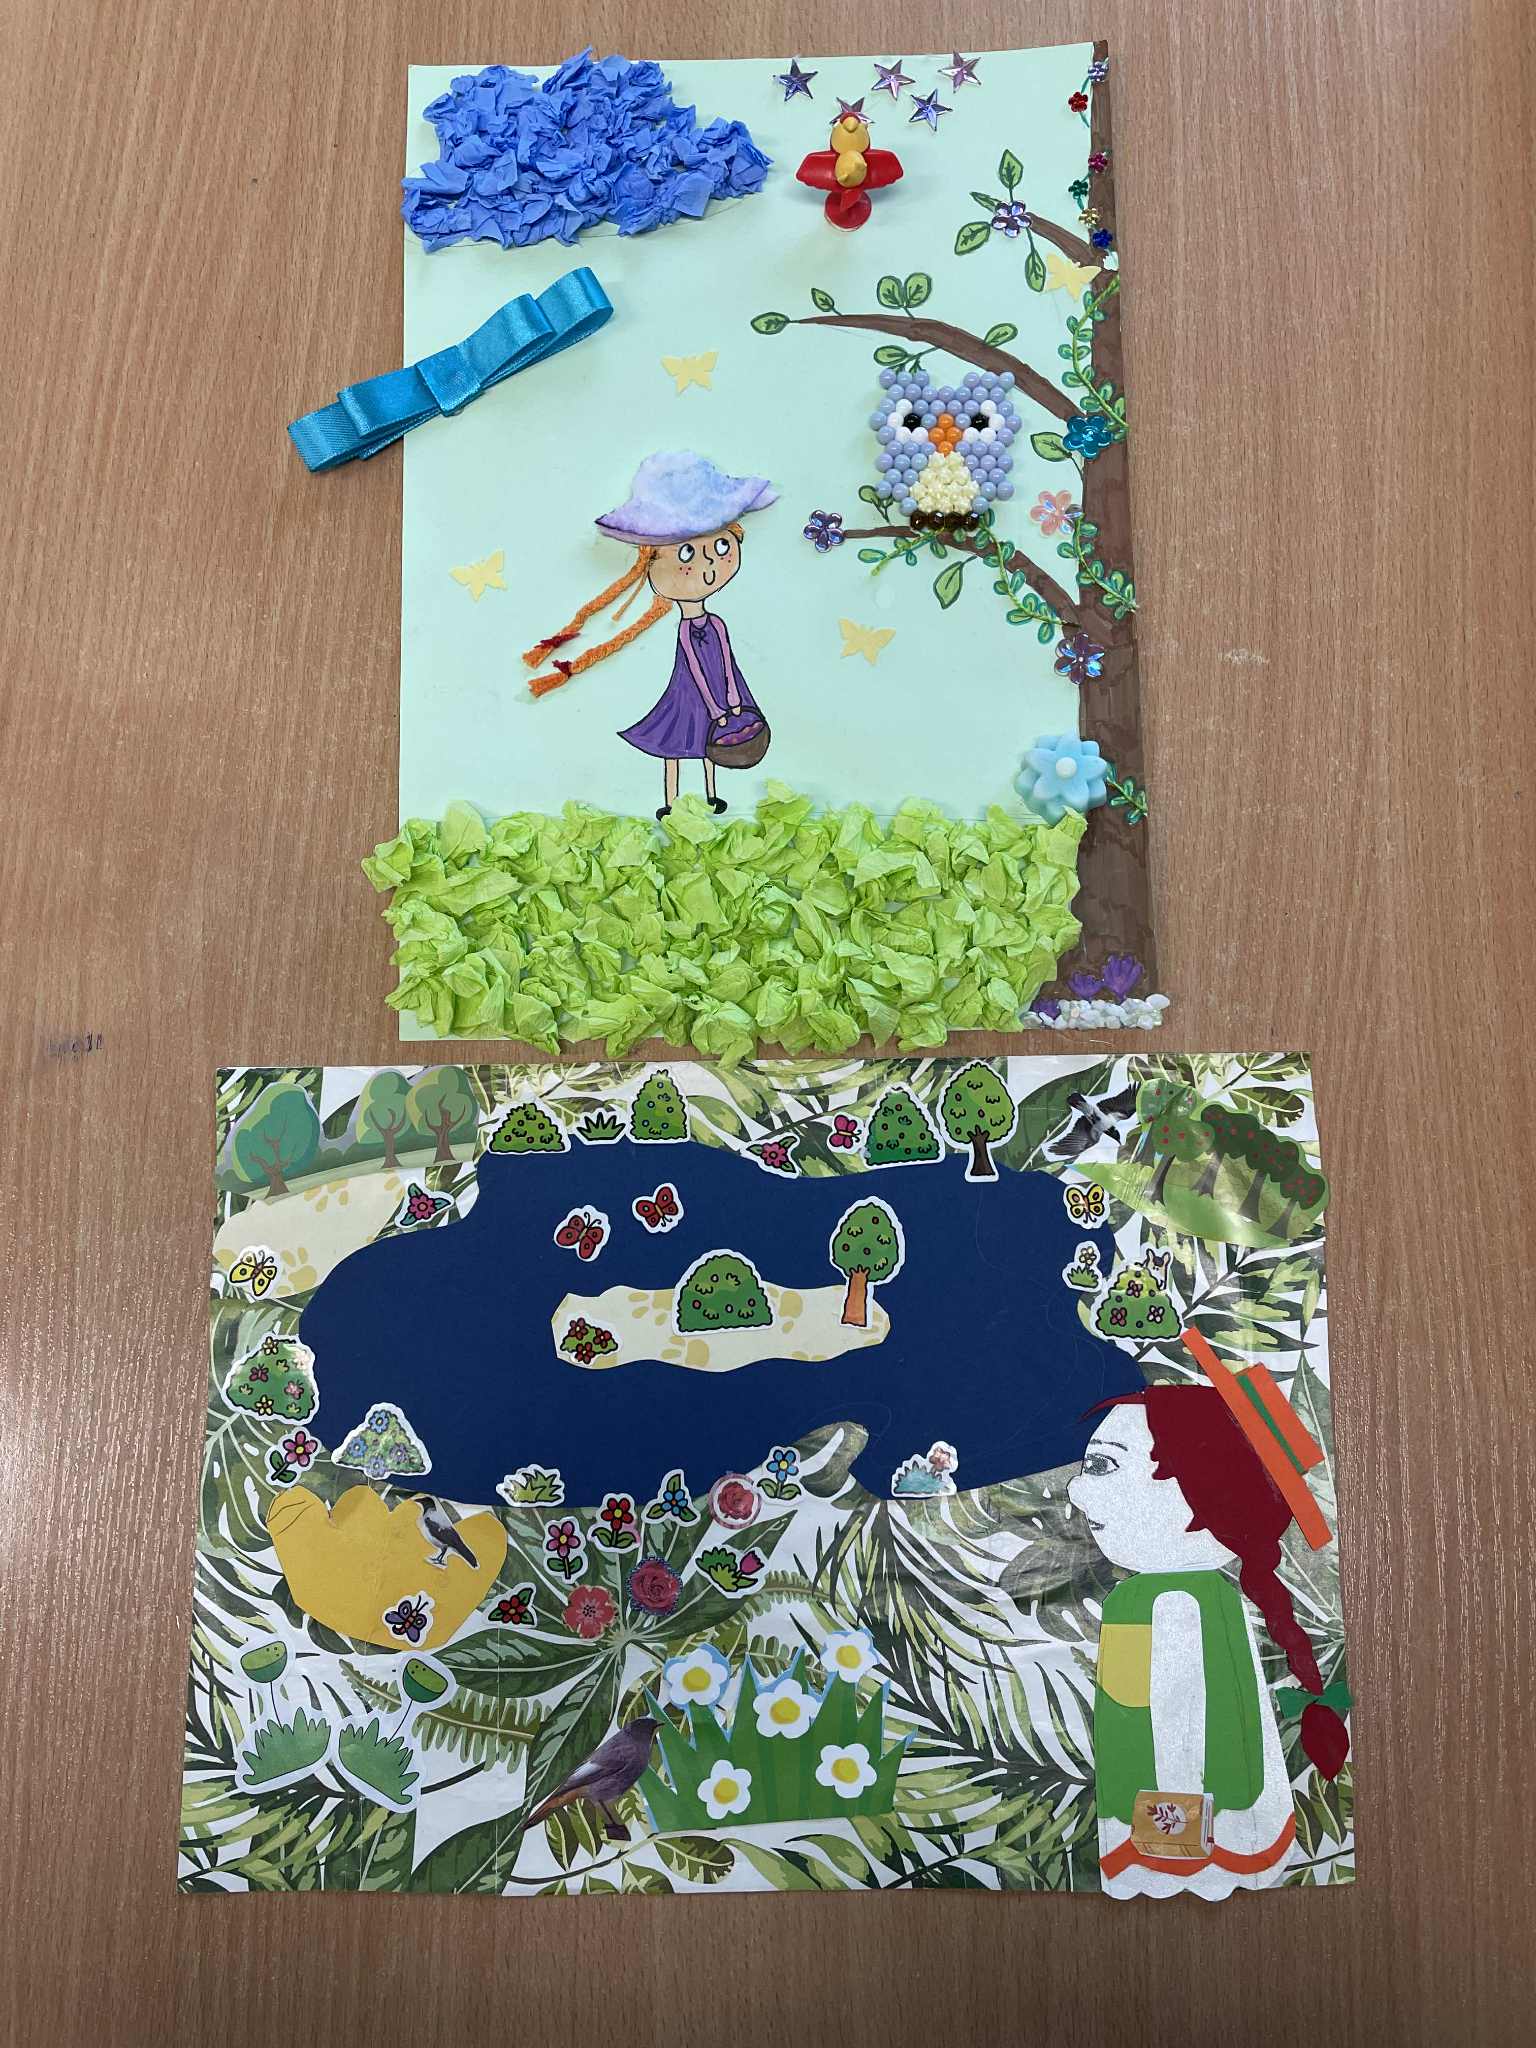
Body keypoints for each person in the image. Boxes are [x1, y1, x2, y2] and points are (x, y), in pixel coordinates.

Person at [1069, 1329, 1350, 1898]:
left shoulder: (1184, 1603)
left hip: (1189, 1816)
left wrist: (1173, 1819)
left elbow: (1201, 1725)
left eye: (1101, 1466)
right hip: (1153, 1806)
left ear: (1197, 1494)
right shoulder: (1138, 1601)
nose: (1075, 1492)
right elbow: (1133, 1707)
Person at [523, 451, 776, 817]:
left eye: (721, 546)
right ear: (648, 562)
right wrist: (715, 707)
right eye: (686, 553)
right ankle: (671, 801)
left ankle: (711, 794)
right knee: (681, 740)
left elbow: (726, 661)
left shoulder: (717, 623)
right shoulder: (686, 629)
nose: (708, 564)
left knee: (709, 742)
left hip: (724, 692)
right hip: (692, 690)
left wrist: (733, 699)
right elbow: (695, 666)